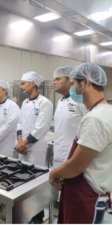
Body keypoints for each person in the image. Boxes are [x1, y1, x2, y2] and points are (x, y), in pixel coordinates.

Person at [49, 62, 112, 224]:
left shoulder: (95, 118)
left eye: (72, 84)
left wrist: (55, 173)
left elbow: (77, 165)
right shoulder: (105, 111)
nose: (71, 90)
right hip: (91, 189)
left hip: (87, 197)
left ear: (85, 82)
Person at [15, 71, 53, 224]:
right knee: (21, 181)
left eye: (23, 83)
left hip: (35, 149)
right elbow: (20, 124)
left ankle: (38, 216)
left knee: (35, 183)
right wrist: (19, 142)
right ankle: (25, 212)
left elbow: (41, 128)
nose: (21, 86)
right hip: (22, 148)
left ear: (33, 84)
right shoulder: (24, 103)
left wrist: (23, 143)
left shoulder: (45, 103)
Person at [53, 67, 87, 169]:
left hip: (74, 156)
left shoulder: (81, 101)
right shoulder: (60, 101)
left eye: (58, 79)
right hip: (58, 154)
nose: (54, 83)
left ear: (69, 82)